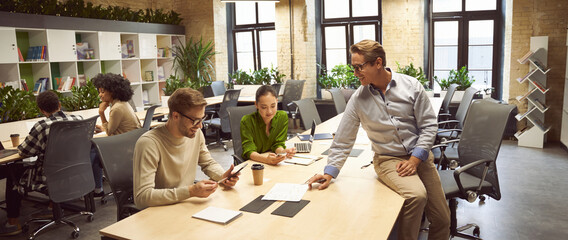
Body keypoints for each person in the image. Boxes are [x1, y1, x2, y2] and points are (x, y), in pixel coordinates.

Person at [307, 40, 450, 240]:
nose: (355, 73)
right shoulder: (358, 99)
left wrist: (415, 159)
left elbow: (428, 126)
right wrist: (330, 172)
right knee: (417, 196)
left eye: (359, 67)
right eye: (353, 67)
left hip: (418, 155)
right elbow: (343, 139)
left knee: (443, 218)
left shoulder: (411, 86)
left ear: (378, 63)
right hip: (388, 159)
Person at [133, 88, 239, 209]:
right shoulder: (149, 144)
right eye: (195, 120)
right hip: (159, 210)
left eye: (202, 119)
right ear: (176, 116)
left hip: (184, 203)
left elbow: (208, 163)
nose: (200, 126)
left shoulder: (195, 133)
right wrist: (190, 191)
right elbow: (142, 197)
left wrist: (223, 176)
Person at [3, 91, 83, 235]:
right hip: (75, 173)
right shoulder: (78, 119)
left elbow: (24, 151)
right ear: (59, 104)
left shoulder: (42, 126)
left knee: (13, 170)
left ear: (41, 110)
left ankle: (13, 223)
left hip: (48, 177)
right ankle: (52, 207)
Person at [91, 73, 142, 196]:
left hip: (123, 148)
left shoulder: (116, 108)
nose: (100, 95)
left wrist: (101, 112)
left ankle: (97, 189)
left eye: (102, 92)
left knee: (92, 152)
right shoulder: (123, 104)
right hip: (131, 144)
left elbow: (109, 131)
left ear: (112, 91)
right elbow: (113, 127)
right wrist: (103, 126)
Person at [240, 85, 296, 165]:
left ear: (277, 101)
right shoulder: (247, 121)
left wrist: (283, 152)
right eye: (264, 107)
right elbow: (249, 151)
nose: (269, 111)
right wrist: (266, 160)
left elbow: (277, 144)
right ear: (256, 105)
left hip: (271, 163)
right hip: (253, 164)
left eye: (273, 106)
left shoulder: (282, 117)